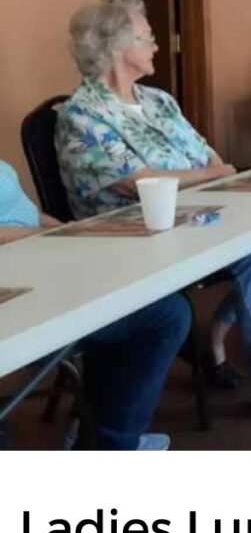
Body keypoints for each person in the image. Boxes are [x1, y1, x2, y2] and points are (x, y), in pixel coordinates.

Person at [56, 0, 251, 421]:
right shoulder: (81, 115)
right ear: (116, 45)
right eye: (149, 37)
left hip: (199, 217)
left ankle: (215, 336)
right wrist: (202, 176)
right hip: (132, 234)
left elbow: (212, 161)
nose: (158, 46)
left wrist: (202, 175)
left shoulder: (160, 102)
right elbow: (138, 183)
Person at [0, 159, 189, 449]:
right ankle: (111, 444)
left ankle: (100, 434)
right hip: (20, 301)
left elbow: (29, 214)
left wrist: (66, 230)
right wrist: (46, 236)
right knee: (165, 315)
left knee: (141, 298)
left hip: (42, 267)